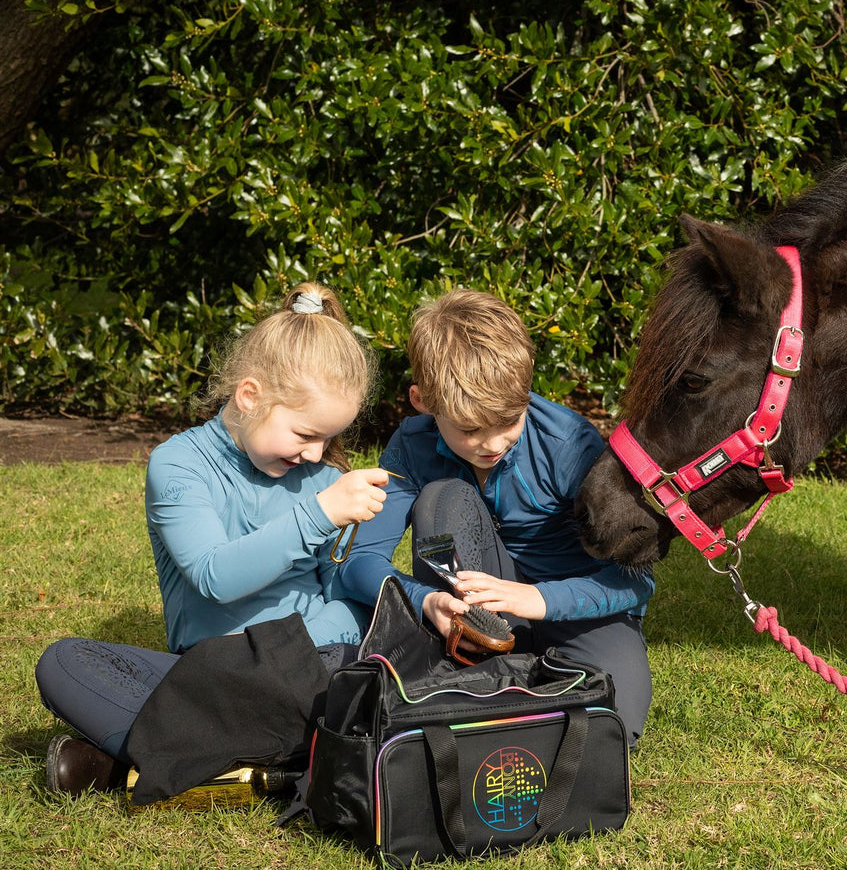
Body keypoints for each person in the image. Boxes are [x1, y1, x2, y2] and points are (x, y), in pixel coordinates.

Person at [35, 282, 391, 794]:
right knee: (65, 663)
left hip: (311, 663)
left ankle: (171, 758)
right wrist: (318, 514)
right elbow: (214, 576)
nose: (316, 454)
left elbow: (343, 591)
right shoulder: (178, 465)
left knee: (360, 653)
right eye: (304, 435)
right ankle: (298, 757)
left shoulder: (320, 477)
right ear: (249, 396)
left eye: (329, 439)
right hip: (218, 676)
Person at [334, 288, 655, 746]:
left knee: (614, 722)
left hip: (572, 607)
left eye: (510, 419)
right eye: (469, 429)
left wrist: (535, 599)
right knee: (443, 497)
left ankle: (498, 680)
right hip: (474, 612)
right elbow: (359, 562)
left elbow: (635, 581)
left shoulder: (570, 446)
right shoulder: (412, 444)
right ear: (422, 400)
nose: (493, 443)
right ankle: (475, 655)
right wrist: (427, 601)